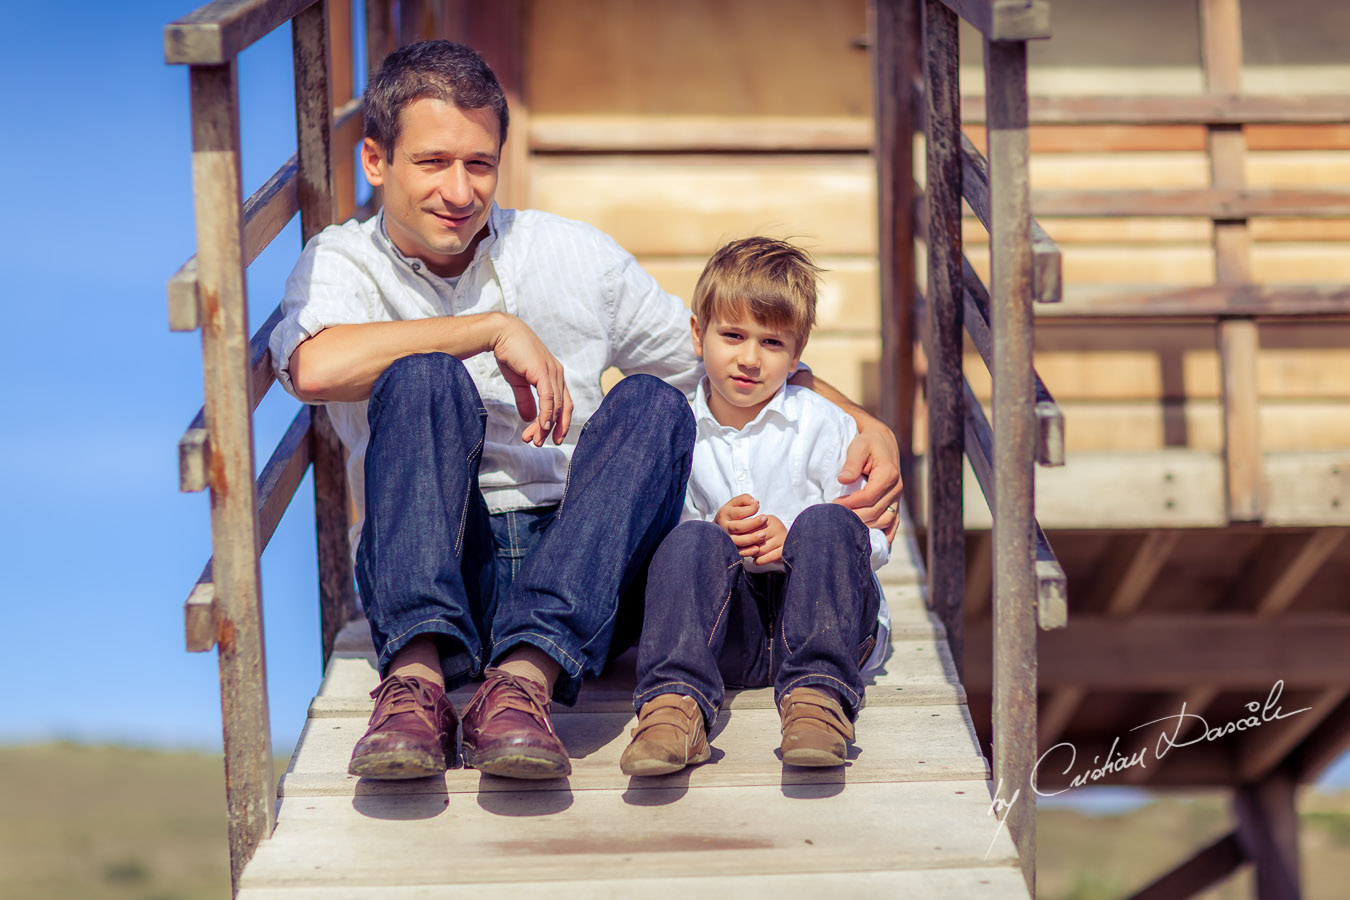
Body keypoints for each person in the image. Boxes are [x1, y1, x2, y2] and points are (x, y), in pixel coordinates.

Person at [269, 40, 902, 782]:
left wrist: (866, 421)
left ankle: (524, 685)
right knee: (422, 380)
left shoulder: (572, 254)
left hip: (587, 567)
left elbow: (719, 358)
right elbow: (312, 367)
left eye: (479, 164)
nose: (460, 190)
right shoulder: (340, 262)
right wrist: (487, 329)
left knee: (653, 403)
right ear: (376, 162)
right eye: (433, 163)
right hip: (442, 561)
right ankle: (414, 688)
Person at [620, 238, 891, 776]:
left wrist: (797, 540)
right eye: (732, 335)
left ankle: (818, 702)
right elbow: (664, 554)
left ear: (798, 350)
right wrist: (713, 530)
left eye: (772, 342)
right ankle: (673, 707)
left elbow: (872, 538)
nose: (749, 358)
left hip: (825, 624)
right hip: (729, 634)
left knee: (827, 520)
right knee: (689, 537)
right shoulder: (679, 430)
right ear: (699, 334)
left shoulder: (825, 423)